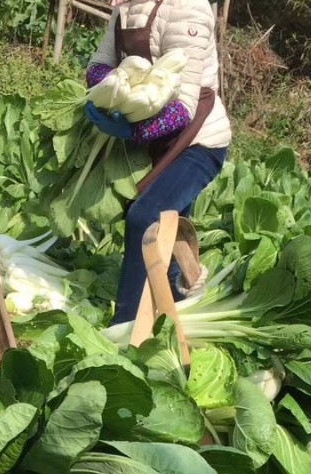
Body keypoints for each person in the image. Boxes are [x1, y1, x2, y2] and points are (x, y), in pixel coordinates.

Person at [84, 0, 231, 325]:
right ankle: (176, 310)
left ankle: (126, 327)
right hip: (155, 142)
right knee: (170, 227)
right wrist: (110, 89)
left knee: (145, 217)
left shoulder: (189, 10)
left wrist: (132, 131)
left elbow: (184, 107)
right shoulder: (124, 7)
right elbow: (98, 64)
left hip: (199, 141)